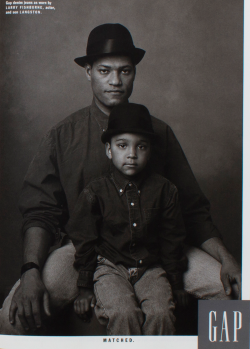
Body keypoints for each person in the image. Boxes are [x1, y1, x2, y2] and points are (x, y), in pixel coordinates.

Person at [0, 23, 241, 335]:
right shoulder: (63, 135)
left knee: (237, 294)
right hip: (82, 252)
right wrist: (31, 270)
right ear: (88, 71)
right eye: (104, 70)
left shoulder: (159, 133)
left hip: (154, 248)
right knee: (10, 318)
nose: (115, 81)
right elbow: (40, 212)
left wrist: (228, 259)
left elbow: (193, 210)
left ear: (134, 72)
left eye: (125, 71)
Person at [67, 103, 189, 335]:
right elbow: (84, 241)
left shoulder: (165, 190)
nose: (132, 154)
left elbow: (172, 238)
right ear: (109, 150)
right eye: (122, 146)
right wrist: (84, 288)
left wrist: (176, 284)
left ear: (150, 150)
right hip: (110, 267)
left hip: (150, 267)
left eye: (141, 146)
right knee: (124, 313)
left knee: (161, 313)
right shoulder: (96, 191)